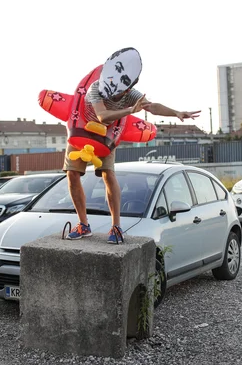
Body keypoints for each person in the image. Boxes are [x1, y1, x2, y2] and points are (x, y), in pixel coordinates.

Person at [65, 48, 200, 243]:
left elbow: (151, 106)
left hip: (107, 134)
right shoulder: (96, 88)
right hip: (83, 127)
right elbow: (102, 115)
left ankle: (116, 227)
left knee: (108, 174)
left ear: (128, 88)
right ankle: (83, 224)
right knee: (72, 173)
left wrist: (177, 113)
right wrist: (131, 110)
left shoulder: (130, 93)